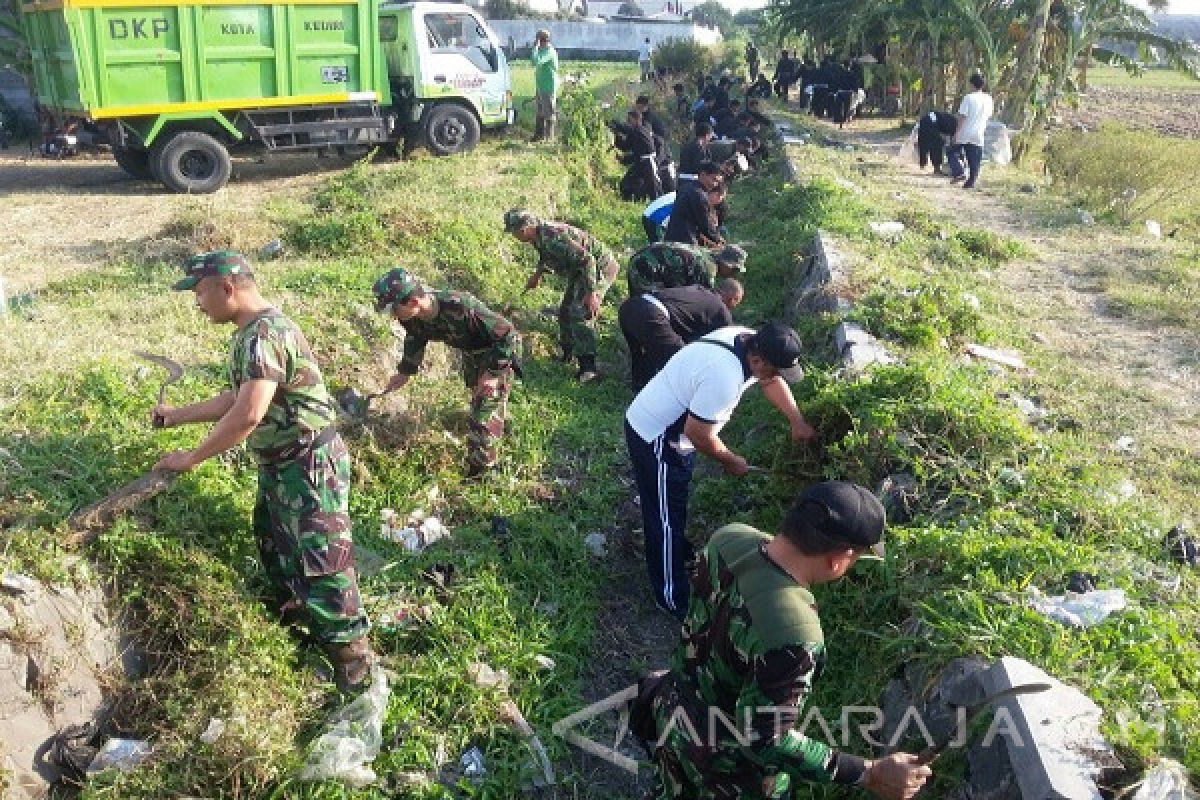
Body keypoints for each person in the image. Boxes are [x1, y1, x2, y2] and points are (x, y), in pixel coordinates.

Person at [153, 251, 372, 691]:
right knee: (278, 548)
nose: (198, 303)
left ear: (227, 288)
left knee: (322, 564)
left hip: (308, 466)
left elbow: (248, 415)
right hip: (283, 466)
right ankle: (302, 636)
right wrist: (177, 415)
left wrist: (191, 457)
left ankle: (355, 672)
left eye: (199, 292)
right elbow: (236, 399)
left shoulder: (264, 334)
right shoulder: (251, 333)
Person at [644, 482, 934, 800]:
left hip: (671, 714)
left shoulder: (729, 538)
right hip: (727, 771)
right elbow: (765, 740)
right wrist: (868, 772)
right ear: (838, 559)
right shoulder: (795, 635)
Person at [624, 322, 818, 616]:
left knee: (672, 503)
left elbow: (769, 381)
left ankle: (676, 552)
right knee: (663, 517)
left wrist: (796, 419)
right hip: (656, 435)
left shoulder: (748, 339)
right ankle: (670, 596)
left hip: (678, 435)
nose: (777, 377)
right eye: (776, 370)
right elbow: (700, 433)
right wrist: (730, 459)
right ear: (757, 360)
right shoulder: (723, 376)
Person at [372, 268, 520, 476]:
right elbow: (415, 338)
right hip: (471, 354)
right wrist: (405, 371)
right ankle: (500, 425)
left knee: (481, 416)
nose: (394, 316)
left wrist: (494, 374)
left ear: (413, 302)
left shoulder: (460, 306)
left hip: (497, 353)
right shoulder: (410, 318)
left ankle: (484, 472)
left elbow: (507, 333)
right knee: (480, 402)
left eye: (395, 309)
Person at [504, 209, 620, 383]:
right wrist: (537, 275)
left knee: (580, 313)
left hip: (599, 267)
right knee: (565, 311)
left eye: (514, 232)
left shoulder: (553, 236)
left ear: (524, 229)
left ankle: (588, 369)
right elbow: (546, 255)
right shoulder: (538, 235)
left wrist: (591, 293)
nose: (514, 236)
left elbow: (588, 259)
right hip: (581, 269)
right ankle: (568, 354)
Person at [618, 280, 743, 391]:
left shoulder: (697, 289)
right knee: (681, 362)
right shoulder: (720, 309)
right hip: (653, 314)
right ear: (733, 299)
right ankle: (672, 401)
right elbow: (728, 340)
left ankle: (639, 388)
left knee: (642, 354)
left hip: (630, 307)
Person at [627, 241, 747, 295]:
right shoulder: (708, 269)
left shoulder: (705, 254)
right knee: (649, 305)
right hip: (646, 268)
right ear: (726, 264)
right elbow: (703, 301)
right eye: (734, 269)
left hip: (641, 260)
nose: (733, 274)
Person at [951, 73, 993, 189]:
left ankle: (959, 172)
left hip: (965, 132)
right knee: (975, 159)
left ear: (971, 85)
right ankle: (971, 182)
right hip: (979, 133)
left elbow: (962, 117)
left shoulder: (968, 98)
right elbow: (988, 116)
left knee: (951, 152)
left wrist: (956, 133)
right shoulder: (988, 99)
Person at [664, 161, 723, 246]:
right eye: (713, 179)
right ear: (702, 175)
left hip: (671, 238)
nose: (714, 184)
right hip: (684, 242)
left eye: (717, 181)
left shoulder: (686, 187)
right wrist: (718, 240)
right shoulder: (699, 195)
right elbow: (705, 225)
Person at [611, 109, 662, 201]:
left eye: (630, 120)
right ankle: (631, 200)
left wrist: (616, 125)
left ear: (637, 119)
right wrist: (617, 135)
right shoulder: (634, 132)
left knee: (654, 188)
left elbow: (627, 130)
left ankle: (658, 207)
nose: (628, 122)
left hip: (648, 162)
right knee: (626, 183)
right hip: (640, 162)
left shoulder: (642, 130)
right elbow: (625, 146)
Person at [531, 29, 559, 142]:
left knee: (549, 114)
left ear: (543, 41)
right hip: (540, 86)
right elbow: (534, 61)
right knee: (540, 113)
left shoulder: (549, 52)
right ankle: (538, 136)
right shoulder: (542, 51)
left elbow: (536, 62)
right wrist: (536, 50)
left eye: (539, 41)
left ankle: (549, 138)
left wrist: (535, 49)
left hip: (548, 87)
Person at [677, 122, 714, 186]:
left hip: (682, 179)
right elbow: (698, 166)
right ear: (707, 135)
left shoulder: (688, 145)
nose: (710, 139)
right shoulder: (697, 148)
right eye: (710, 136)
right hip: (691, 181)